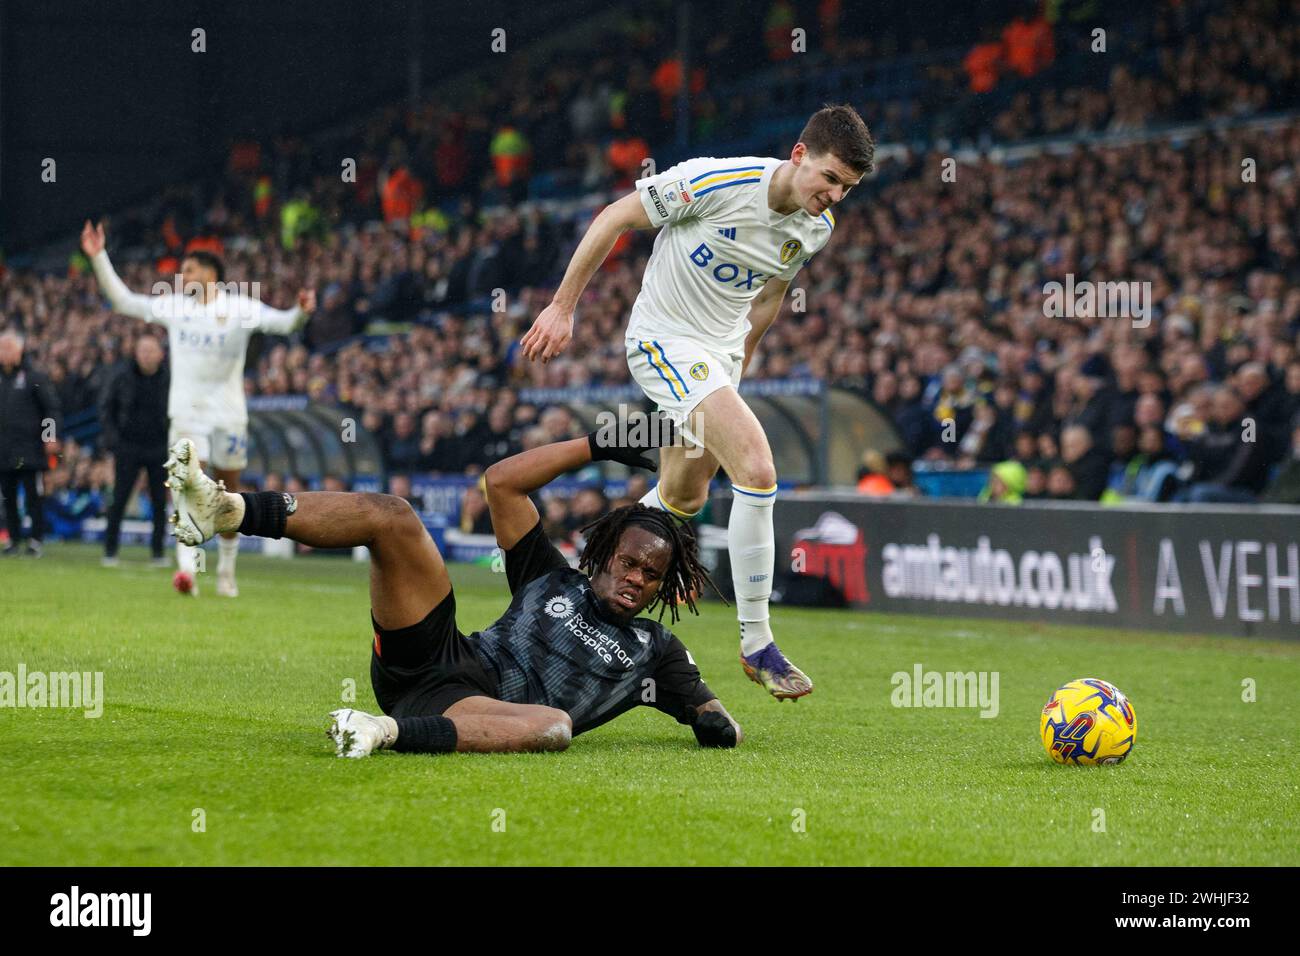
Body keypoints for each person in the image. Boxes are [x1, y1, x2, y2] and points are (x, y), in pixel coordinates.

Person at [520, 104, 875, 700]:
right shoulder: (718, 181)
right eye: (831, 178)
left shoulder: (813, 229)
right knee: (758, 468)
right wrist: (562, 306)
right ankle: (758, 641)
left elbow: (765, 303)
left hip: (719, 359)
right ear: (799, 155)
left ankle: (585, 588)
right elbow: (613, 218)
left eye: (848, 187)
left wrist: (737, 376)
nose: (835, 196)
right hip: (664, 341)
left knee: (683, 496)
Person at [161, 425, 742, 757]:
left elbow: (717, 719)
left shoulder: (654, 648)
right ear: (603, 555)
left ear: (666, 586)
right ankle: (227, 509)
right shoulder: (550, 574)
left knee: (554, 726)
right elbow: (502, 484)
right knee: (393, 515)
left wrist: (713, 720)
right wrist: (599, 444)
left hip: (471, 710)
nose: (635, 578)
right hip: (436, 659)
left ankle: (380, 731)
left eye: (650, 575)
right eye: (627, 562)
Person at [80, 220, 316, 596]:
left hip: (229, 413)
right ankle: (187, 569)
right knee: (187, 482)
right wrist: (98, 257)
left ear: (210, 273)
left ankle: (226, 569)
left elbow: (283, 324)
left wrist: (301, 312)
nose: (182, 275)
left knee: (228, 493)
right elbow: (125, 301)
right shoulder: (175, 307)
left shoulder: (239, 307)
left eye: (188, 269)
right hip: (187, 412)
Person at [99, 333, 170, 566]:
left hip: (159, 446)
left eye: (151, 350)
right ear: (136, 353)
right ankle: (110, 551)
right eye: (143, 350)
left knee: (160, 501)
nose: (147, 355)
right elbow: (106, 407)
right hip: (128, 445)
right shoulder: (121, 375)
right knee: (119, 498)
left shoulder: (170, 378)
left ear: (161, 354)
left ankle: (158, 552)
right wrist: (113, 441)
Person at [0, 330, 62, 556]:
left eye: (9, 348)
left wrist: (50, 436)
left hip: (30, 450)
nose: (4, 353)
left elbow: (51, 409)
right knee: (8, 497)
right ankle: (13, 539)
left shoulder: (34, 377)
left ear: (20, 350)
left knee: (33, 496)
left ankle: (36, 539)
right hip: (4, 450)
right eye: (2, 348)